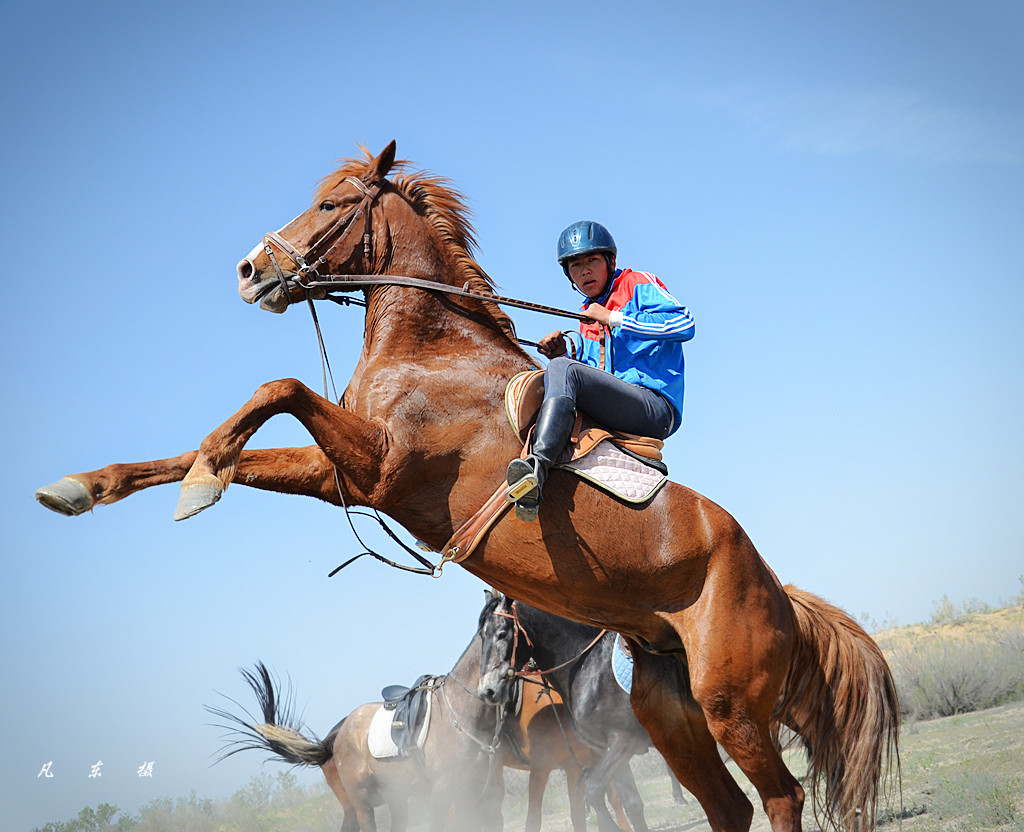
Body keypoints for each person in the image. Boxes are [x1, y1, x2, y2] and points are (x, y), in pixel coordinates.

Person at [505, 220, 695, 521]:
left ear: (611, 261)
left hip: (655, 409)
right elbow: (595, 376)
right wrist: (564, 354)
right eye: (575, 265)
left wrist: (614, 318)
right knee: (551, 370)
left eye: (592, 260)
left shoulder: (637, 283)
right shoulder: (587, 316)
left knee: (564, 370)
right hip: (619, 407)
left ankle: (535, 470)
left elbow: (685, 325)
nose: (584, 271)